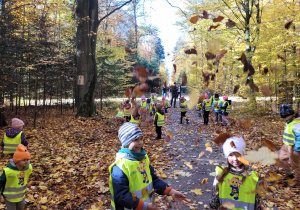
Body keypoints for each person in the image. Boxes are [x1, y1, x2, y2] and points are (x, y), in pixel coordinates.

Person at [109, 123, 189, 210]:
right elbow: (121, 196)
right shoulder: (120, 167)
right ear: (126, 142)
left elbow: (153, 180)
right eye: (135, 139)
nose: (140, 142)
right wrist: (145, 206)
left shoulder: (143, 158)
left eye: (141, 138)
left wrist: (170, 191)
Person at [210, 137, 263, 210]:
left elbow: (258, 200)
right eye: (231, 155)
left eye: (238, 155)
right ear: (227, 156)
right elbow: (215, 196)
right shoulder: (221, 174)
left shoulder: (252, 176)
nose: (235, 159)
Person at [0, 144, 33, 210]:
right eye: (24, 160)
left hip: (21, 196)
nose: (26, 161)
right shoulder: (8, 172)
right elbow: (1, 182)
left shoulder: (28, 168)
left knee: (20, 208)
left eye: (27, 159)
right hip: (9, 197)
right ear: (17, 161)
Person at [278, 104, 300, 187]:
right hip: (287, 144)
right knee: (281, 157)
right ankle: (289, 174)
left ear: (291, 114)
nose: (284, 119)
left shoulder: (297, 123)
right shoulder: (289, 121)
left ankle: (298, 181)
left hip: (294, 147)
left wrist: (297, 150)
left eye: (285, 117)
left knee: (295, 164)